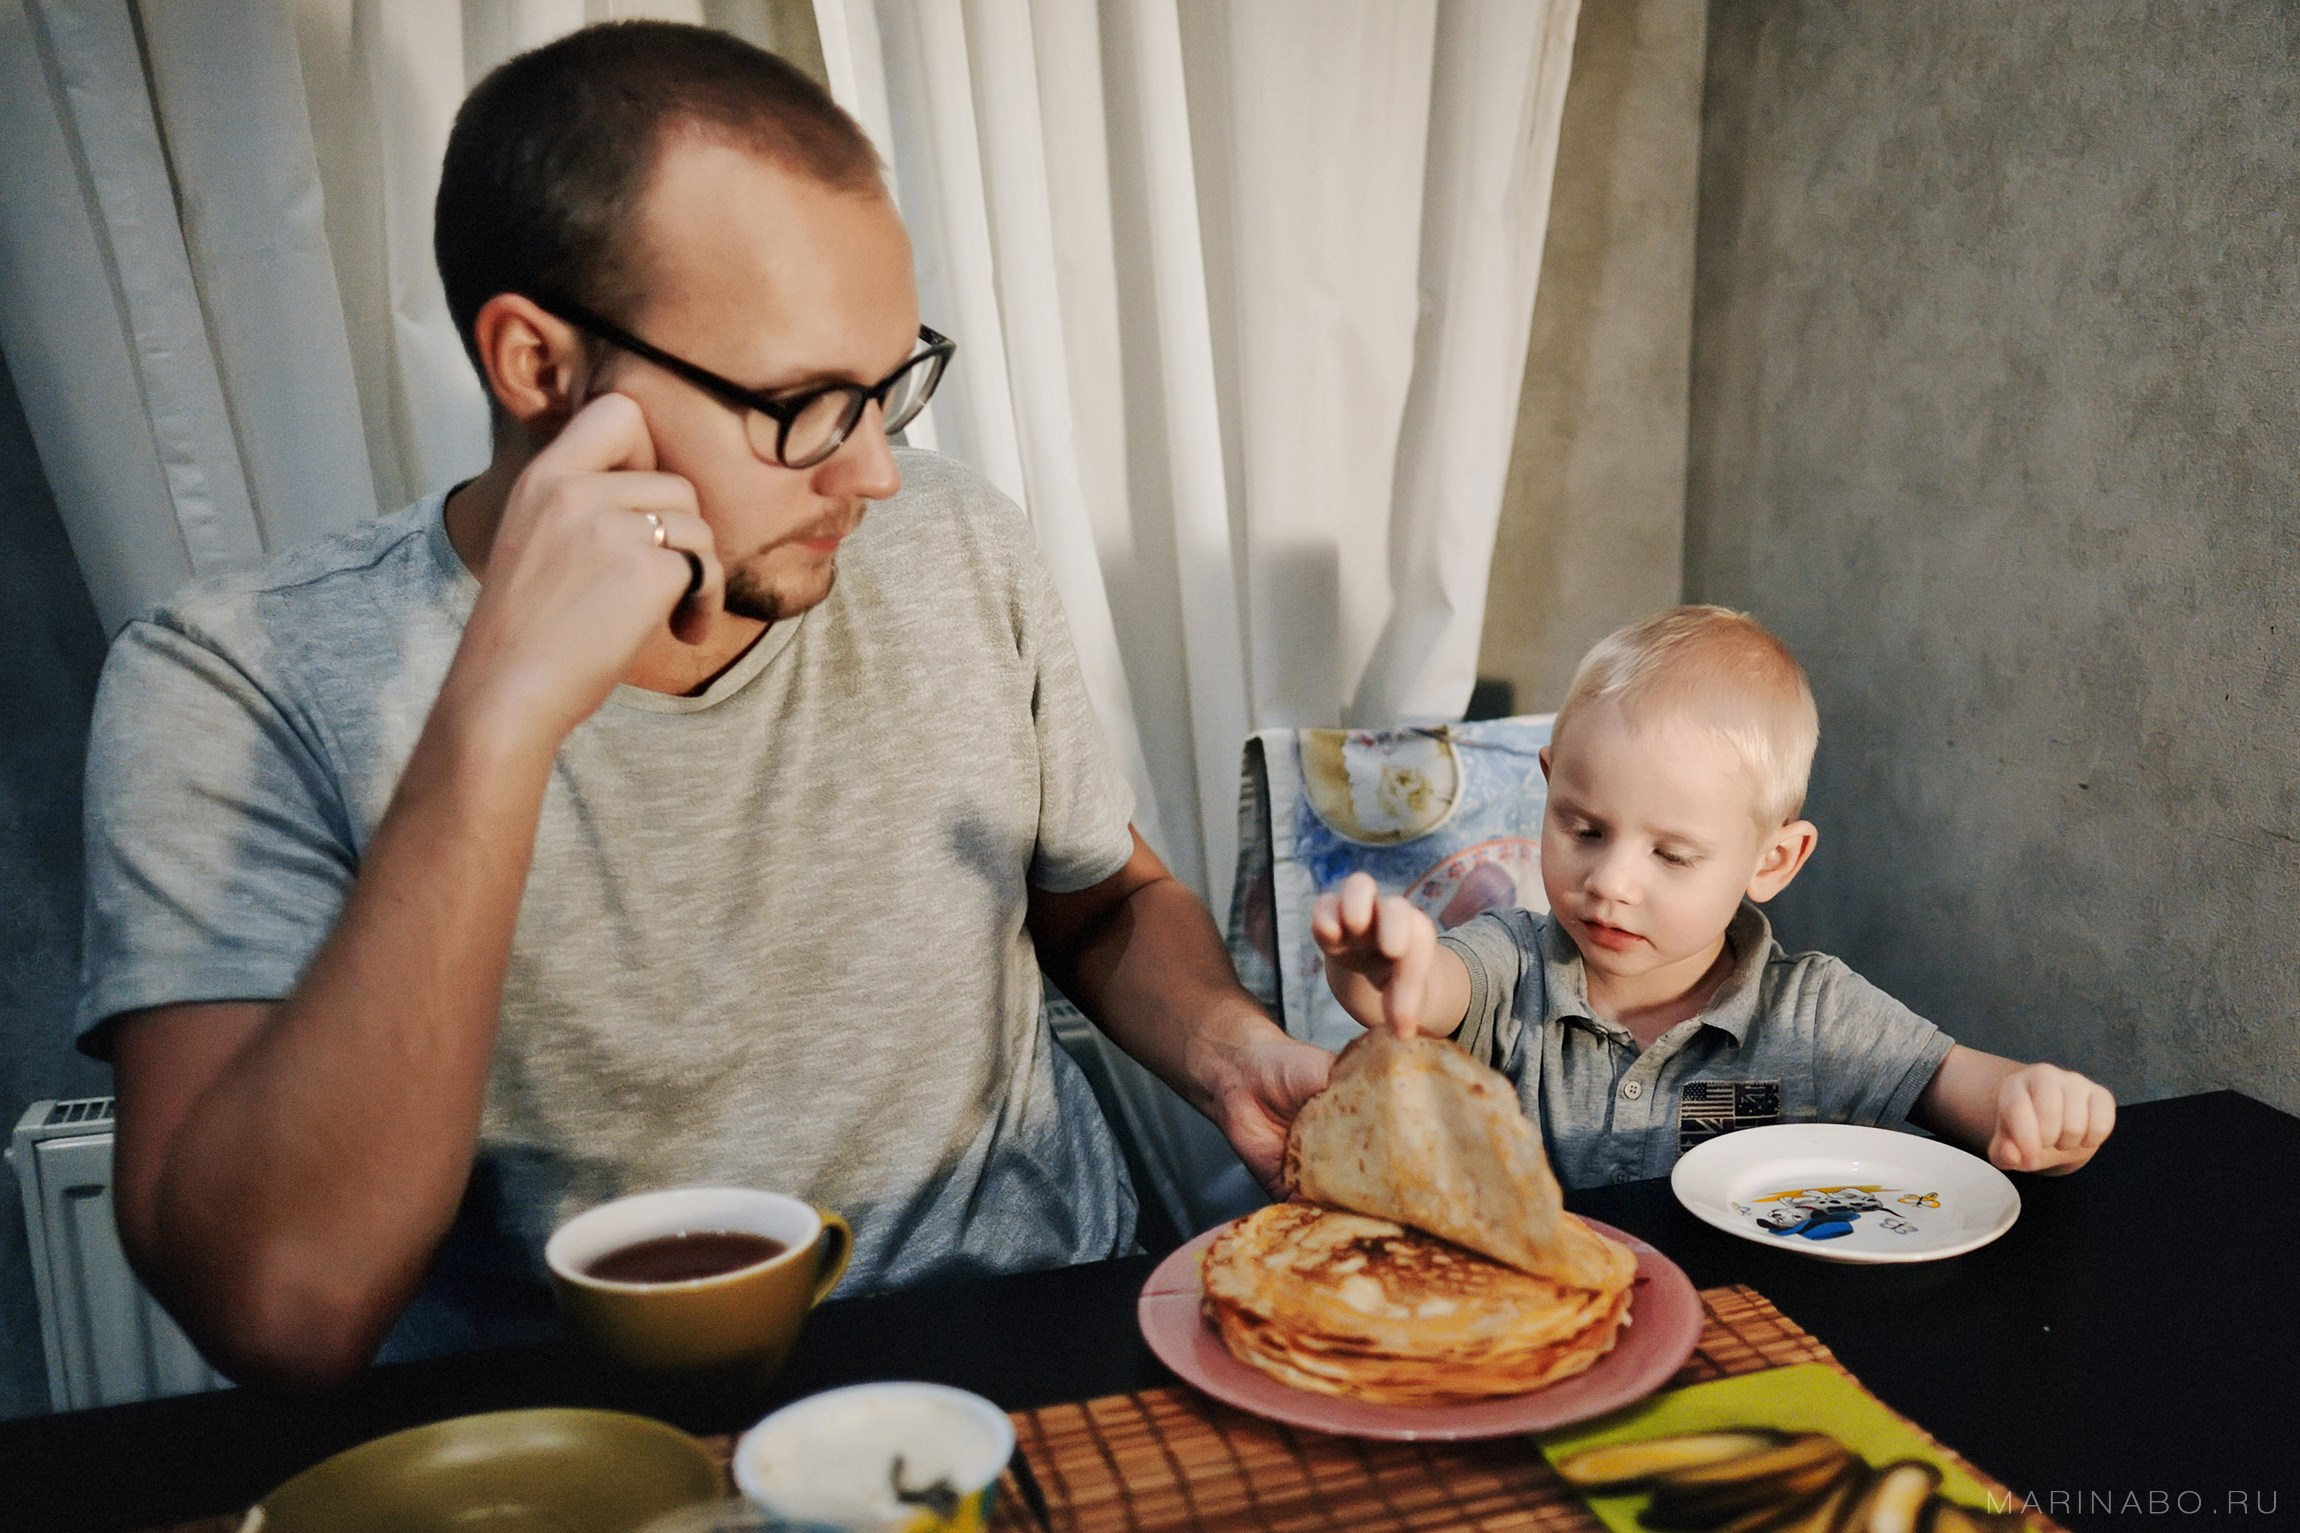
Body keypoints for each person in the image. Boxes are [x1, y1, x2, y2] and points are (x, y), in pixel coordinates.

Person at [77, 22, 1330, 1388]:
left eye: (887, 386)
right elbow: (280, 1306)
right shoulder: (226, 682)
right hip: (606, 1429)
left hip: (1040, 1348)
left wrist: (1223, 1047)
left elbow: (1098, 898)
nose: (875, 478)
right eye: (799, 404)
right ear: (537, 367)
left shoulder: (956, 543)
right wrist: (497, 717)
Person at [1312, 605, 2116, 1188]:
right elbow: (1415, 994)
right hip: (1533, 1336)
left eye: (1672, 853)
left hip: (1746, 1338)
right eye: (1584, 829)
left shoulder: (1813, 1013)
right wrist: (1378, 965)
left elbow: (1960, 1084)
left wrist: (2037, 1104)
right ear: (1549, 785)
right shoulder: (1511, 960)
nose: (1612, 881)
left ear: (1773, 860)